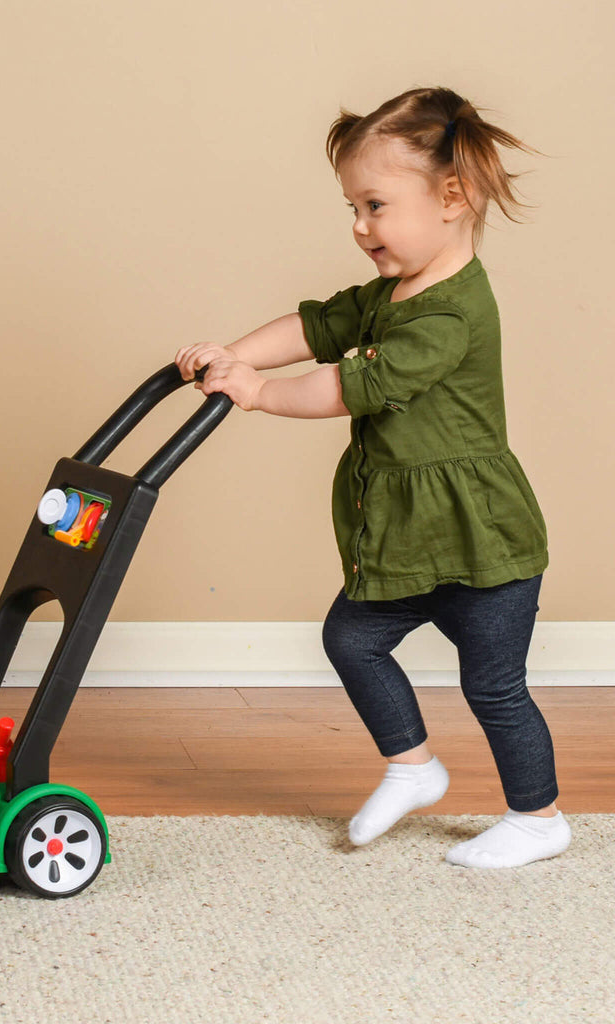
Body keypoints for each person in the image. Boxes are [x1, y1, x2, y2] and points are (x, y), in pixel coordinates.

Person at [174, 86, 570, 868]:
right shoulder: (390, 296)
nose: (360, 226)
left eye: (376, 205)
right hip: (403, 540)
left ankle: (539, 818)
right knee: (352, 640)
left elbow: (352, 386)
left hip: (481, 546)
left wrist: (256, 395)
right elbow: (314, 325)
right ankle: (412, 767)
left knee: (493, 688)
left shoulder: (451, 314)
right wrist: (235, 356)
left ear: (451, 198)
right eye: (352, 207)